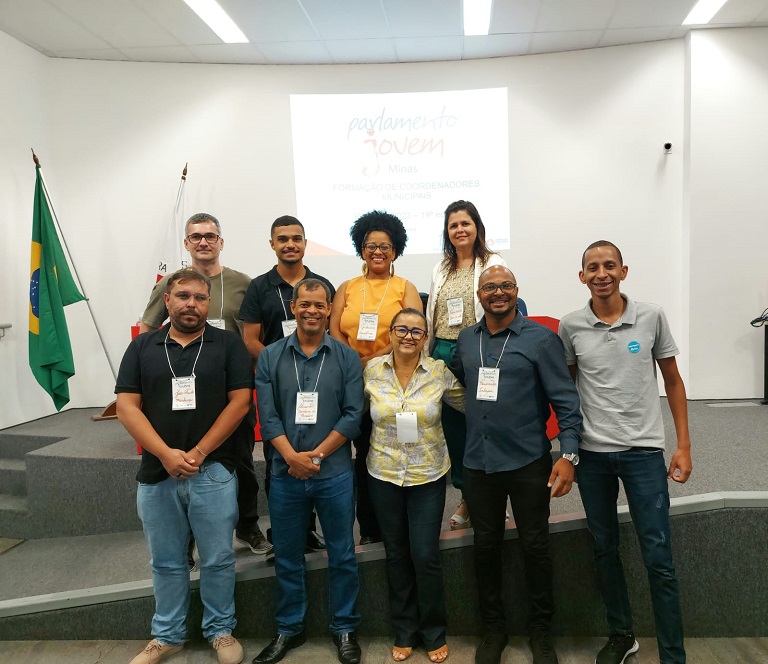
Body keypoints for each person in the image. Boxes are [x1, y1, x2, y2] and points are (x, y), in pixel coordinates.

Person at [558, 241, 692, 664]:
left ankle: (673, 653)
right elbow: (568, 393)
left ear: (624, 270)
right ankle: (622, 635)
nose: (601, 273)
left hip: (643, 454)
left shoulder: (651, 316)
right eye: (592, 267)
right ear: (582, 276)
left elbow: (672, 380)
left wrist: (683, 445)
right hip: (594, 457)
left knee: (658, 557)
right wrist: (569, 451)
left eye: (609, 265)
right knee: (604, 550)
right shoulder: (571, 326)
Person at [116, 268, 250, 664]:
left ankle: (220, 631)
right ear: (168, 301)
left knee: (218, 557)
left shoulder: (227, 343)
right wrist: (165, 454)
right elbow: (126, 407)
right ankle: (167, 636)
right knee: (167, 560)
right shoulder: (143, 347)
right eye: (183, 296)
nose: (192, 303)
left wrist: (199, 453)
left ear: (209, 303)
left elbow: (240, 402)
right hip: (158, 473)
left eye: (200, 297)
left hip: (213, 471)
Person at [450, 265, 582, 664]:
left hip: (527, 461)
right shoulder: (465, 340)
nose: (498, 293)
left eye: (505, 286)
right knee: (486, 548)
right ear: (479, 293)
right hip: (479, 463)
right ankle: (494, 630)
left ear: (517, 290)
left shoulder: (541, 340)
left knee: (535, 547)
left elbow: (566, 401)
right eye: (490, 287)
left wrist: (569, 455)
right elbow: (460, 388)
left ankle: (542, 633)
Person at [140, 212, 270, 559]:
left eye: (210, 236)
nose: (203, 242)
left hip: (231, 392)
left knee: (241, 461)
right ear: (187, 243)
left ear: (220, 242)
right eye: (196, 236)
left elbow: (255, 334)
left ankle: (247, 525)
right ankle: (187, 538)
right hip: (179, 392)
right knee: (180, 463)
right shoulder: (172, 285)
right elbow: (147, 333)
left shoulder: (244, 283)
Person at [254, 278, 364, 664]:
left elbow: (353, 416)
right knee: (286, 555)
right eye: (305, 304)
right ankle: (289, 629)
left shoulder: (347, 357)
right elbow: (267, 419)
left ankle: (345, 628)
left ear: (330, 308)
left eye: (320, 305)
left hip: (333, 472)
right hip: (286, 474)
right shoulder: (269, 356)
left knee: (342, 553)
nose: (312, 311)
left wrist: (314, 455)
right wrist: (291, 457)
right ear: (293, 306)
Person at [365, 308, 465, 663]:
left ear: (426, 338)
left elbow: (467, 404)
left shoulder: (438, 372)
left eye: (417, 332)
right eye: (402, 330)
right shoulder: (372, 371)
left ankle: (433, 631)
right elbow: (352, 411)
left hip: (428, 476)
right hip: (384, 474)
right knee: (396, 555)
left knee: (424, 555)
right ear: (390, 333)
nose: (409, 336)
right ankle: (404, 630)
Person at [238, 215, 335, 554]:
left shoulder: (321, 284)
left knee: (314, 446)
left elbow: (331, 334)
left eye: (296, 238)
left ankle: (307, 530)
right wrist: (284, 363)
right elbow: (250, 339)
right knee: (280, 453)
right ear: (272, 244)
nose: (290, 244)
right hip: (278, 383)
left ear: (306, 243)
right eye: (283, 239)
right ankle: (284, 530)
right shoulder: (258, 287)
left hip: (318, 381)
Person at [329, 210, 423, 545]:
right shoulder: (347, 287)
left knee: (399, 448)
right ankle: (369, 527)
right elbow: (335, 329)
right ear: (361, 249)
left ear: (395, 250)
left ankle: (409, 521)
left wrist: (377, 357)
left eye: (385, 246)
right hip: (354, 380)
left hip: (393, 380)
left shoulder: (405, 287)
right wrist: (353, 359)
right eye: (371, 245)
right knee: (365, 451)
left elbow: (414, 329)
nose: (378, 252)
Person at [426, 200, 506, 531]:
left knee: (485, 425)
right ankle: (467, 496)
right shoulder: (440, 268)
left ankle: (492, 499)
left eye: (465, 223)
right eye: (453, 225)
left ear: (477, 227)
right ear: (447, 232)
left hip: (478, 350)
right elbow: (433, 313)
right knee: (455, 430)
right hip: (443, 353)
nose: (460, 229)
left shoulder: (494, 263)